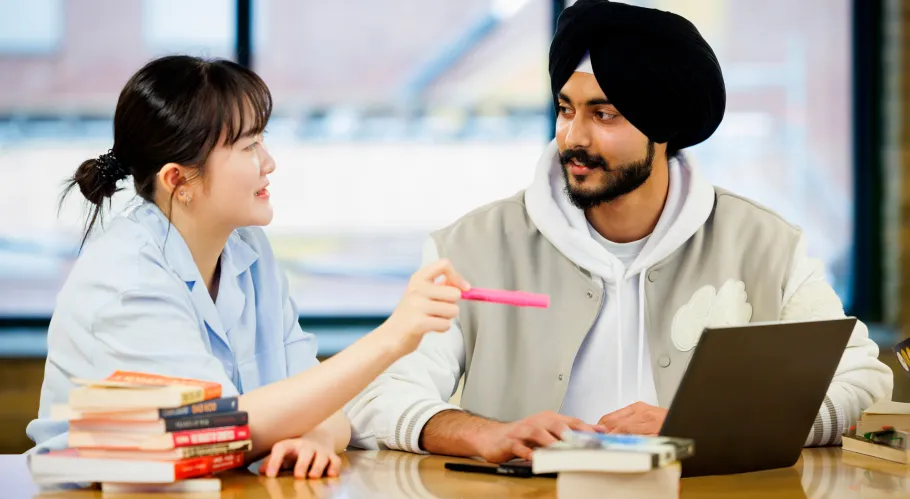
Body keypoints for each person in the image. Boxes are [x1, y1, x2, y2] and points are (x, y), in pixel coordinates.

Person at [345, 0, 893, 462]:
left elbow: (862, 385)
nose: (573, 137)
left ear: (663, 127)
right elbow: (377, 397)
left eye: (604, 115)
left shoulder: (767, 244)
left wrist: (699, 431)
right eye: (566, 110)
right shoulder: (470, 245)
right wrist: (486, 433)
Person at [26, 55, 471, 479]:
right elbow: (213, 432)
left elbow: (328, 408)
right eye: (249, 146)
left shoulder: (247, 250)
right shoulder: (126, 278)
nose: (269, 162)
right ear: (178, 180)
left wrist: (313, 438)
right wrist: (394, 337)